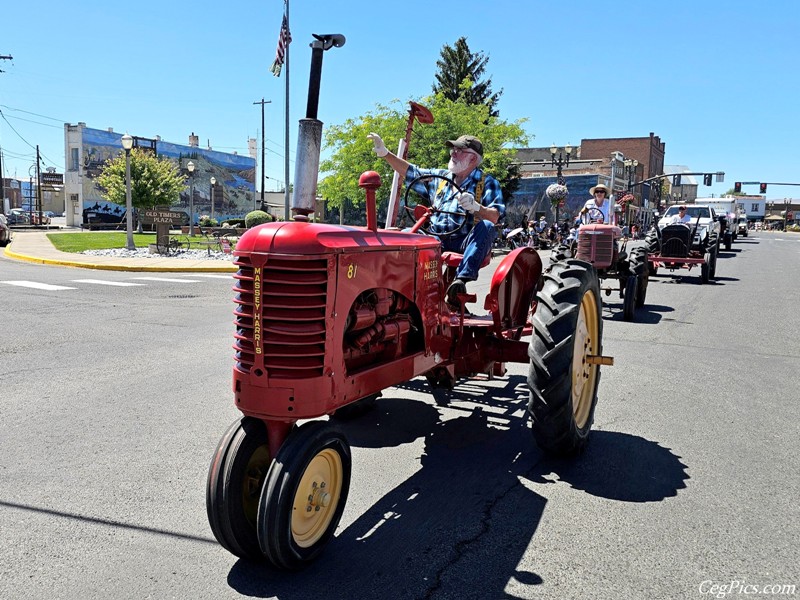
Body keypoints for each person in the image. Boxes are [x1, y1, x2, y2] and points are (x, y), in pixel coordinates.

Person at [367, 132, 504, 305]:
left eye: (460, 150)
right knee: (407, 235)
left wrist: (477, 207)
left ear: (473, 159)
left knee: (487, 226)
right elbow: (411, 172)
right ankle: (397, 289)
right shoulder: (441, 178)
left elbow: (495, 216)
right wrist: (385, 153)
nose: (453, 153)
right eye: (453, 149)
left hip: (466, 241)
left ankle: (461, 281)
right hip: (437, 237)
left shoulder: (487, 182)